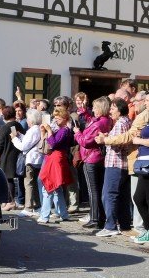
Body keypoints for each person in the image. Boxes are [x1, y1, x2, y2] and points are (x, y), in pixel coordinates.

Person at [93, 98, 132, 237]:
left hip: (115, 163)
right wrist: (107, 137)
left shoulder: (121, 123)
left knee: (108, 195)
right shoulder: (125, 122)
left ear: (120, 110)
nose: (110, 111)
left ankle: (110, 226)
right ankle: (125, 225)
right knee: (121, 196)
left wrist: (104, 140)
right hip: (121, 164)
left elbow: (120, 143)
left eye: (113, 108)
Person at [73, 97, 112, 230]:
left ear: (101, 108)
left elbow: (85, 141)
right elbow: (91, 119)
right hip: (98, 158)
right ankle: (99, 217)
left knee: (93, 190)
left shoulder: (98, 124)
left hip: (91, 157)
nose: (93, 109)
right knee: (98, 189)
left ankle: (95, 218)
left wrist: (77, 133)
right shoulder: (106, 120)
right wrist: (84, 111)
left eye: (95, 107)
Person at [37, 107, 74, 223]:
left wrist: (49, 131)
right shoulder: (62, 129)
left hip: (56, 158)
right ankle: (63, 214)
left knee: (48, 187)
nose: (56, 120)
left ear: (65, 118)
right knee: (57, 188)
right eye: (55, 118)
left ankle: (45, 216)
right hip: (55, 158)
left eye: (58, 118)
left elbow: (53, 143)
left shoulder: (64, 130)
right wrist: (44, 131)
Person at [11, 109, 43, 217]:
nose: (27, 121)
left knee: (28, 183)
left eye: (28, 119)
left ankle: (28, 207)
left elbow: (23, 146)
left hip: (31, 160)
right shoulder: (38, 129)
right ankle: (37, 206)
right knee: (34, 184)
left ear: (32, 120)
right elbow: (30, 142)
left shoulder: (33, 130)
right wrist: (20, 136)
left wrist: (14, 139)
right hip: (38, 159)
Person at [0, 106, 25, 210]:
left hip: (7, 156)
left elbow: (0, 145)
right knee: (18, 179)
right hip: (18, 154)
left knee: (8, 179)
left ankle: (10, 202)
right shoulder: (17, 125)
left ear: (4, 115)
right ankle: (11, 201)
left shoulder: (5, 127)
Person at [131, 103, 149, 243]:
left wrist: (139, 140)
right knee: (139, 198)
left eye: (148, 100)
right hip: (143, 163)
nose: (145, 103)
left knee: (141, 198)